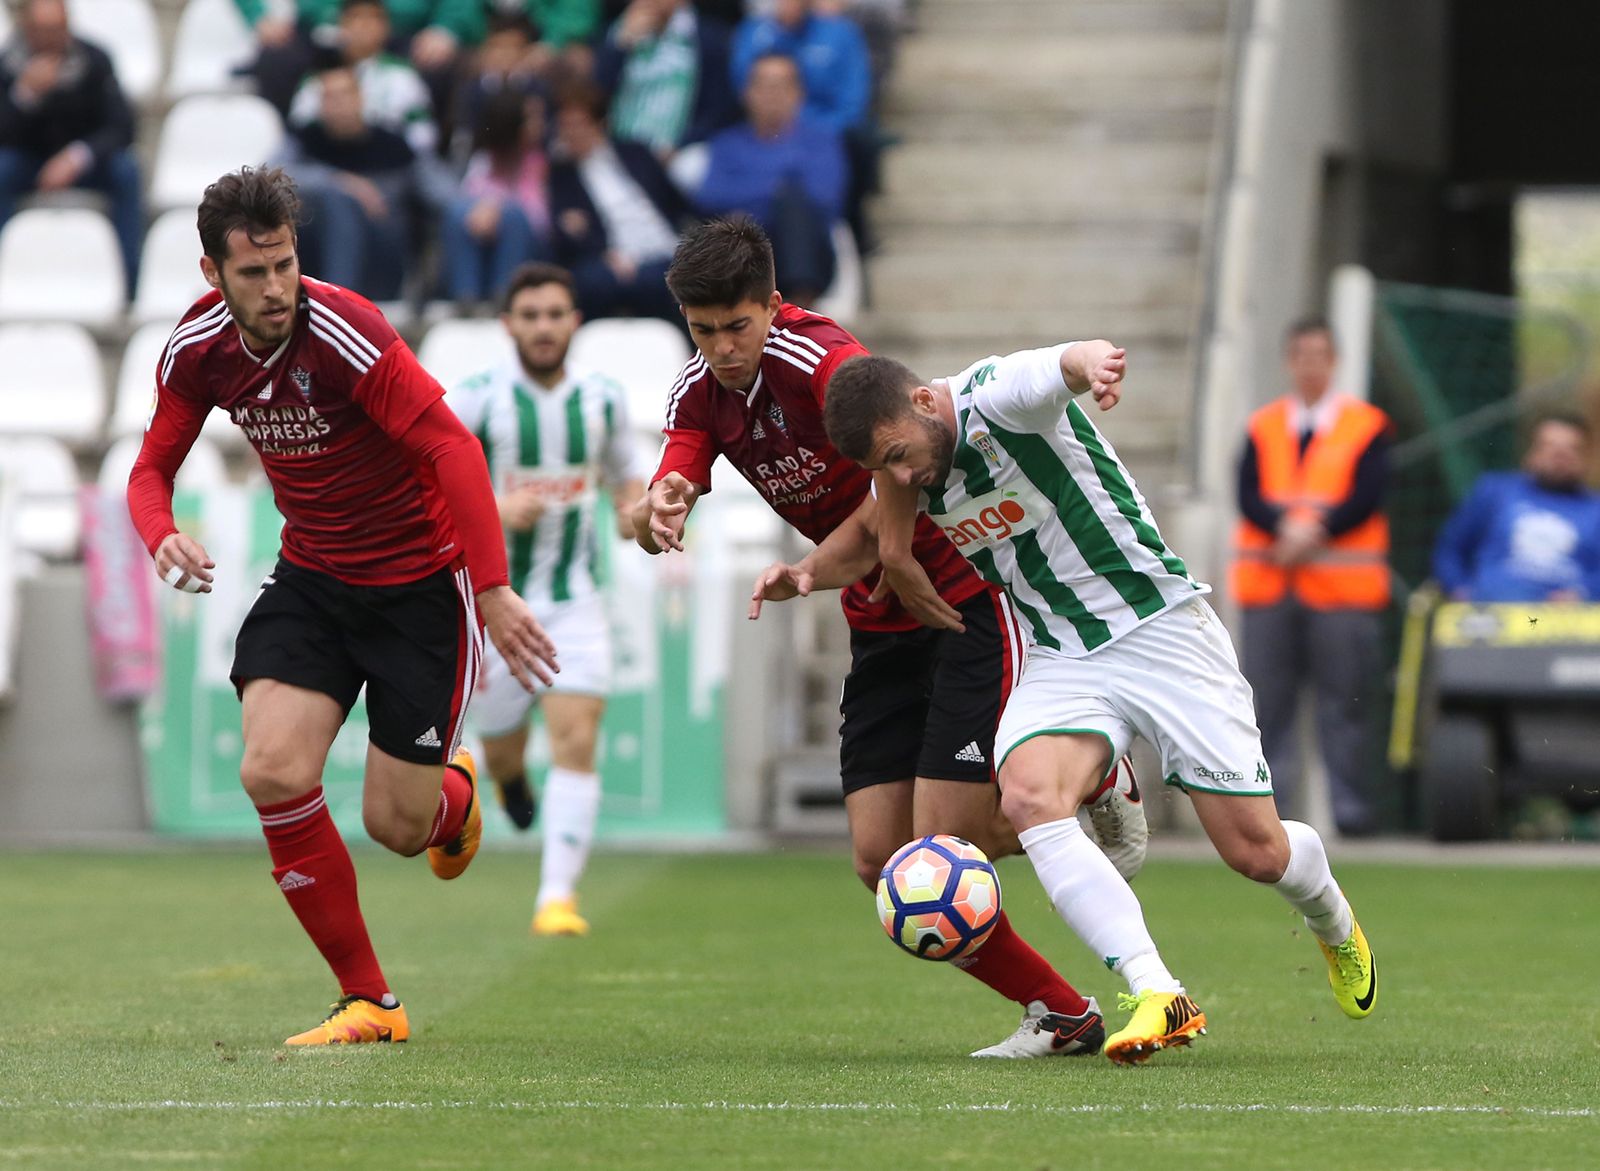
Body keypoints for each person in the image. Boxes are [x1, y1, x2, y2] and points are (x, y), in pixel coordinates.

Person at [755, 342, 1378, 1064]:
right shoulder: (902, 464)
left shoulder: (997, 398)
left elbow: (1060, 365)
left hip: (1161, 632)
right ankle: (1157, 991)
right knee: (1027, 796)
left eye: (898, 455)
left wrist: (1094, 368)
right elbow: (878, 536)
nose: (899, 475)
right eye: (880, 467)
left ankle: (1333, 919)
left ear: (926, 402)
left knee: (1257, 851)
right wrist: (807, 573)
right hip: (1058, 653)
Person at [633, 217, 1147, 1059]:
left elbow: (894, 455)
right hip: (878, 622)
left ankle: (1088, 783)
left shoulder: (821, 359)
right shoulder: (701, 387)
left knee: (952, 843)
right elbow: (684, 454)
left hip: (962, 603)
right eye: (703, 329)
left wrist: (872, 550)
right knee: (884, 862)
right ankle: (1064, 1012)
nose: (723, 347)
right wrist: (667, 495)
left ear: (773, 304)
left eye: (738, 325)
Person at [125, 166, 558, 1046]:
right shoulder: (195, 348)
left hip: (418, 591)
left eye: (285, 264)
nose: (276, 287)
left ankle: (454, 796)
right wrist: (160, 531)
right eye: (254, 273)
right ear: (214, 275)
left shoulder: (347, 331)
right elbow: (148, 470)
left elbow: (450, 446)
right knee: (272, 771)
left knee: (397, 828)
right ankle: (372, 1002)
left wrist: (493, 587)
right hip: (314, 580)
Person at [446, 262, 646, 935]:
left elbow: (626, 485)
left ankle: (556, 898)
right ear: (507, 324)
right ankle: (508, 782)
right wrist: (495, 509)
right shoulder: (475, 400)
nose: (542, 327)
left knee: (576, 736)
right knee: (501, 750)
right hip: (494, 606)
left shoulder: (606, 400)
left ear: (574, 321)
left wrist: (638, 515)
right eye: (529, 315)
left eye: (554, 313)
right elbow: (424, 487)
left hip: (574, 600)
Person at [1232, 316, 1390, 837]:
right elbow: (1249, 494)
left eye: (1320, 355)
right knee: (1267, 707)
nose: (1310, 365)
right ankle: (1271, 814)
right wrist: (1284, 528)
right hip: (1271, 587)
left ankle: (1350, 810)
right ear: (1289, 360)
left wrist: (1311, 532)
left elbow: (1367, 495)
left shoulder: (1365, 425)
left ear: (1335, 360)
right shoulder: (1264, 425)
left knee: (1343, 704)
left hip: (1341, 593)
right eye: (1301, 355)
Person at [0, 0, 143, 296]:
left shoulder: (95, 60)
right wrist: (24, 96)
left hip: (86, 163)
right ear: (27, 29)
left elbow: (121, 127)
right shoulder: (6, 66)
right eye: (43, 30)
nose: (51, 38)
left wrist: (78, 156)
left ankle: (130, 283)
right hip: (28, 162)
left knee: (127, 170)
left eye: (57, 29)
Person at [276, 64, 452, 300]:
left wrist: (478, 208)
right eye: (328, 97)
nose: (337, 104)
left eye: (344, 95)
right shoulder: (304, 140)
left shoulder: (393, 145)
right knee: (336, 203)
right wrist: (342, 183)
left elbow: (442, 192)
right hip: (315, 248)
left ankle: (338, 303)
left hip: (384, 251)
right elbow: (270, 178)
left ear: (360, 97)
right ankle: (335, 301)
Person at [695, 52, 844, 304]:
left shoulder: (821, 142)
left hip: (807, 250)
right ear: (746, 93)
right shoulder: (727, 143)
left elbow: (825, 197)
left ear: (799, 93)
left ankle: (796, 307)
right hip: (744, 249)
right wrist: (777, 186)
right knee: (738, 226)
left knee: (794, 207)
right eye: (763, 86)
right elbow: (709, 196)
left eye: (781, 86)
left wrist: (755, 193)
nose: (772, 95)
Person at [547, 79, 694, 323]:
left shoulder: (636, 154)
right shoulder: (563, 175)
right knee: (595, 281)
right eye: (565, 126)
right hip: (611, 260)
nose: (571, 133)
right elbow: (564, 234)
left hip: (666, 250)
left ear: (600, 124)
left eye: (578, 125)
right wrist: (606, 254)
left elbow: (678, 204)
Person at [1433, 413, 1600, 602]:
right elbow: (1451, 548)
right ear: (1530, 452)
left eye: (1571, 450)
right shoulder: (1494, 492)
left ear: (1587, 457)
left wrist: (1584, 593)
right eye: (1550, 447)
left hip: (1566, 621)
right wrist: (1458, 588)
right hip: (1490, 614)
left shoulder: (1595, 510)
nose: (1559, 458)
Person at [442, 88, 553, 306]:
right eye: (532, 118)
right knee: (456, 213)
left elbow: (541, 220)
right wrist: (488, 210)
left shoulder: (543, 163)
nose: (541, 123)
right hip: (487, 246)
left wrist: (498, 207)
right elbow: (473, 213)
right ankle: (466, 297)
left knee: (512, 217)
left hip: (533, 250)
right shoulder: (483, 161)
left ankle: (505, 297)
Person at [594, 0, 737, 155]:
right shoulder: (618, 31)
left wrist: (680, 145)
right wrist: (621, 45)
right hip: (622, 145)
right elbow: (597, 91)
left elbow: (717, 108)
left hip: (680, 149)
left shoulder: (708, 38)